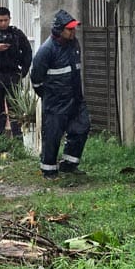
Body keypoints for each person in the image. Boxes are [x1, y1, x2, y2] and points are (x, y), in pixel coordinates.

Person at [30, 9, 91, 180]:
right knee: (52, 135)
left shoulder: (74, 44)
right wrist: (49, 96)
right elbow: (36, 79)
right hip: (56, 101)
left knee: (82, 127)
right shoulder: (46, 50)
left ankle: (69, 164)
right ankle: (49, 170)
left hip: (75, 98)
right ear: (59, 30)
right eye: (69, 29)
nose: (73, 32)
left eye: (74, 29)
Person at [0, 7, 33, 139]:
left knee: (14, 108)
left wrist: (23, 72)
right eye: (0, 20)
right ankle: (0, 138)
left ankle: (18, 139)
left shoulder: (16, 34)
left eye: (6, 20)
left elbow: (27, 52)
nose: (3, 23)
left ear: (10, 19)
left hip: (12, 75)